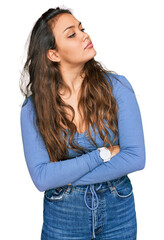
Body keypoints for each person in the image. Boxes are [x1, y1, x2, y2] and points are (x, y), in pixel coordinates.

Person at [20, 7, 146, 240]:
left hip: (118, 205)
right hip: (64, 212)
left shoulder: (118, 87)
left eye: (81, 28)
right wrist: (103, 154)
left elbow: (135, 157)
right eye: (72, 34)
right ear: (53, 54)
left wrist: (64, 176)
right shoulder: (33, 108)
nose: (84, 35)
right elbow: (42, 178)